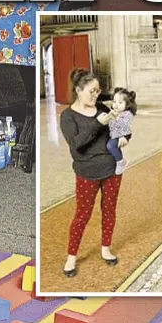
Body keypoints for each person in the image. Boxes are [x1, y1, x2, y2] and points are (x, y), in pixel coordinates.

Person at [59, 69, 129, 277]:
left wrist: (125, 135)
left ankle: (105, 248)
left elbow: (118, 132)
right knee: (82, 215)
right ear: (78, 90)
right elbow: (76, 145)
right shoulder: (68, 117)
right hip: (86, 172)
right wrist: (99, 123)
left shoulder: (101, 108)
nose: (95, 95)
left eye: (98, 91)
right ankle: (72, 256)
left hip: (111, 170)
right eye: (91, 91)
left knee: (109, 210)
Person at [105, 87, 137, 175]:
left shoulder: (127, 114)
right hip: (115, 133)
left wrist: (123, 136)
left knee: (110, 145)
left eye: (120, 102)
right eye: (114, 102)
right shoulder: (115, 112)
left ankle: (120, 161)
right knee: (111, 145)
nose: (116, 105)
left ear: (127, 104)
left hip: (122, 134)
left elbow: (125, 126)